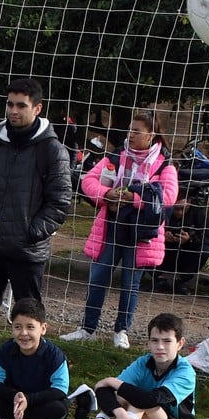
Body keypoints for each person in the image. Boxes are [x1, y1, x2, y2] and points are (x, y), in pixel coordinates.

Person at [0, 77, 73, 371]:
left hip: (26, 249)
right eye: (10, 104)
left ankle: (30, 366)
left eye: (21, 105)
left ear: (37, 108)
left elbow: (60, 202)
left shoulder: (52, 150)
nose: (13, 111)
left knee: (28, 311)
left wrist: (32, 232)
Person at [61, 111, 177, 347]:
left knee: (130, 283)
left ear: (151, 135)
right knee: (98, 276)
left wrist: (133, 198)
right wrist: (107, 194)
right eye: (130, 130)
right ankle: (88, 328)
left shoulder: (164, 164)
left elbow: (168, 197)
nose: (131, 135)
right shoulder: (117, 157)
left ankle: (121, 331)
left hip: (141, 234)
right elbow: (88, 181)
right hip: (111, 228)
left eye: (137, 131)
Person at [54, 312, 196, 419]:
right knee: (122, 397)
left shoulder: (185, 372)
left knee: (139, 401)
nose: (160, 346)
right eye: (155, 340)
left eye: (167, 341)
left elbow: (151, 399)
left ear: (180, 343)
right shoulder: (144, 362)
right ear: (148, 342)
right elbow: (103, 391)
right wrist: (120, 414)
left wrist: (112, 381)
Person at [151, 195, 209, 296]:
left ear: (189, 203)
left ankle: (181, 281)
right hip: (164, 253)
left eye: (183, 209)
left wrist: (190, 239)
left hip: (186, 255)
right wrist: (161, 235)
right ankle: (158, 278)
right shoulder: (159, 207)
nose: (179, 212)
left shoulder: (198, 213)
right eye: (176, 208)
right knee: (143, 244)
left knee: (204, 250)